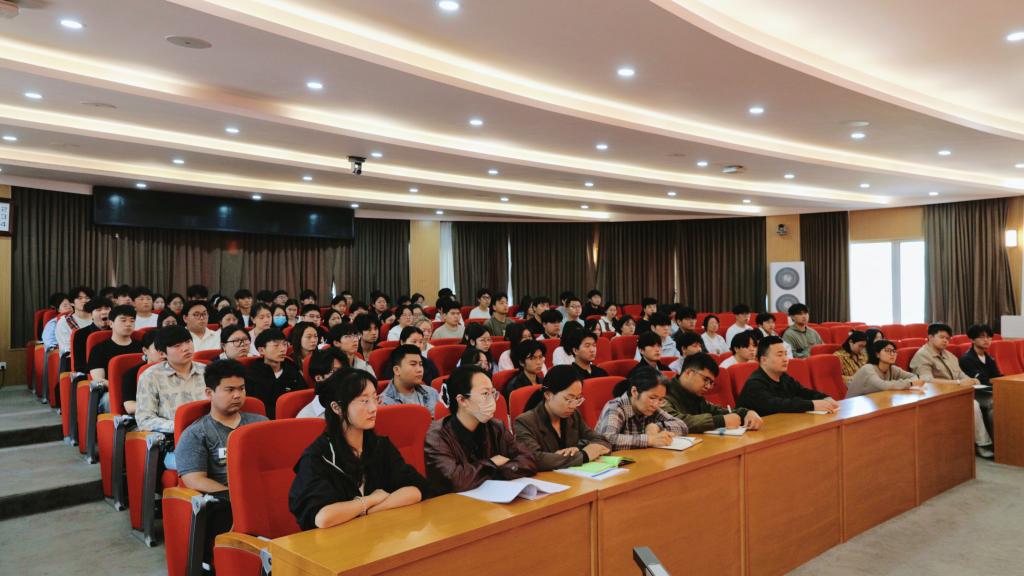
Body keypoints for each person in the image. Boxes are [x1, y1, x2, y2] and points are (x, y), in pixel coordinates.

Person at [289, 368, 428, 530]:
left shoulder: (379, 445)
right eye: (364, 401)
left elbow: (415, 490)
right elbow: (324, 517)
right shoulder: (318, 457)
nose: (373, 408)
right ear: (337, 408)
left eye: (375, 398)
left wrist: (366, 511)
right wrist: (370, 500)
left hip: (379, 534)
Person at [425, 365, 537, 494]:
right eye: (485, 394)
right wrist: (492, 463)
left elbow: (528, 460)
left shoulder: (496, 427)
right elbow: (456, 481)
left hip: (495, 497)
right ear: (462, 400)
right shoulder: (437, 436)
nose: (492, 400)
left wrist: (494, 471)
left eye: (492, 393)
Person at [176, 359, 268, 493]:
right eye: (230, 390)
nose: (237, 395)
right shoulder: (196, 433)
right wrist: (237, 498)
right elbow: (194, 480)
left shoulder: (261, 423)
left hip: (266, 491)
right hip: (224, 498)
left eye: (241, 388)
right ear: (209, 393)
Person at [910, 323, 992, 457]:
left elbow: (960, 374)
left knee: (993, 400)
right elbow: (927, 380)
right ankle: (983, 444)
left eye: (947, 338)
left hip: (960, 391)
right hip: (939, 395)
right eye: (941, 337)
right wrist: (959, 383)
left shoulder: (949, 355)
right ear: (930, 337)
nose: (945, 341)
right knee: (973, 404)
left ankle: (1001, 440)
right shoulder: (922, 355)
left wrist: (972, 380)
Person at [514, 365, 612, 471]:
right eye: (568, 399)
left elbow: (602, 441)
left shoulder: (573, 415)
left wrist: (584, 448)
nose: (573, 405)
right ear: (548, 395)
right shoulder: (525, 422)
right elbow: (534, 459)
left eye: (578, 398)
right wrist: (583, 456)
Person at [737, 336, 838, 416]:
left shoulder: (783, 377)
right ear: (764, 360)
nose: (785, 359)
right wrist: (812, 405)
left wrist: (825, 398)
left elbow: (802, 391)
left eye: (786, 354)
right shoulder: (754, 384)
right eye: (780, 355)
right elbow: (777, 405)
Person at [663, 354, 763, 433]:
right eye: (705, 379)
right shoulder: (663, 392)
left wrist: (746, 413)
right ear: (688, 373)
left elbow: (717, 411)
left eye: (711, 382)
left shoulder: (695, 395)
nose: (708, 386)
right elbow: (673, 422)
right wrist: (720, 421)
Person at [135, 326, 208, 434]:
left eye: (188, 342)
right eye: (177, 346)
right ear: (162, 353)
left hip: (210, 432)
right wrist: (180, 426)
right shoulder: (150, 376)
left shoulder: (207, 371)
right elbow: (145, 420)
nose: (186, 348)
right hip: (173, 435)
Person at [596, 366, 687, 449]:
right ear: (634, 392)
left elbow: (682, 426)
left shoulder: (653, 408)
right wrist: (650, 440)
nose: (656, 405)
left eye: (660, 399)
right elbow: (607, 439)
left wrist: (657, 426)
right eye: (652, 398)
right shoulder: (616, 407)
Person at [244, 328, 307, 419]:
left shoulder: (292, 370)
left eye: (284, 344)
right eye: (276, 345)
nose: (283, 349)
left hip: (292, 419)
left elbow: (303, 399)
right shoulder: (252, 374)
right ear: (261, 350)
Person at [379, 345, 441, 417]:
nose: (419, 370)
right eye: (413, 364)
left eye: (421, 364)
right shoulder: (385, 403)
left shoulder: (432, 392)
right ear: (397, 370)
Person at [848, 340, 923, 397]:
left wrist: (911, 382)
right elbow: (883, 386)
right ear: (877, 354)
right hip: (854, 406)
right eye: (888, 351)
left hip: (874, 401)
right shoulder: (867, 369)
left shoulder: (893, 369)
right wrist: (910, 383)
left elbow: (915, 377)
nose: (892, 354)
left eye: (894, 351)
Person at [88, 305, 142, 384]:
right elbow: (99, 380)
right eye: (123, 320)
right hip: (110, 389)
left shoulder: (143, 347)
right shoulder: (98, 349)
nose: (128, 324)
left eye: (132, 321)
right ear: (111, 323)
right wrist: (121, 389)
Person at [296, 348, 347, 419]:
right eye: (334, 371)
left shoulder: (353, 404)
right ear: (318, 378)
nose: (342, 376)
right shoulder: (306, 417)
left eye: (343, 371)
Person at [56, 286, 94, 360]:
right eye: (80, 298)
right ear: (72, 303)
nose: (84, 300)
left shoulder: (97, 318)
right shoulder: (64, 322)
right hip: (74, 359)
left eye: (87, 298)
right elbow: (66, 348)